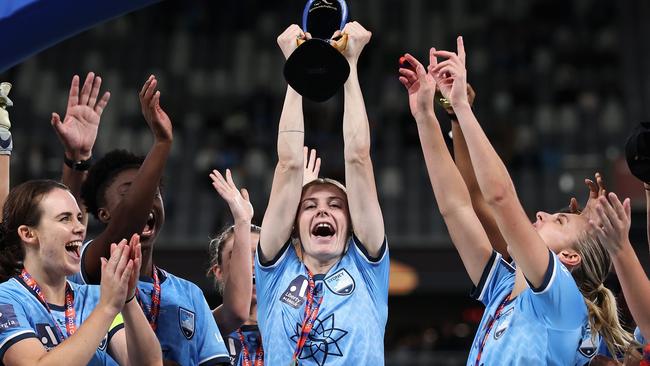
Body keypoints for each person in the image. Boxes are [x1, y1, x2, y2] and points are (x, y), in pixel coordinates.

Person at [399, 37, 631, 365]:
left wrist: (462, 109)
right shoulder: (502, 288)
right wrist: (424, 115)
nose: (542, 214)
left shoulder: (561, 299)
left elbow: (498, 197)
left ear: (568, 257)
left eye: (560, 220)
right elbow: (456, 208)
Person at [53, 74, 230, 365]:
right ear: (104, 213)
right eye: (131, 192)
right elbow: (120, 225)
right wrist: (161, 142)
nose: (148, 200)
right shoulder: (95, 268)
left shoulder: (190, 294)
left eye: (154, 192)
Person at [256, 22, 388, 365]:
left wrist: (351, 66)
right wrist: (295, 71)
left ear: (352, 222)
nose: (322, 211)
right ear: (294, 226)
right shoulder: (274, 274)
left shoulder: (367, 270)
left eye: (335, 204)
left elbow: (358, 158)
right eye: (309, 205)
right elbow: (288, 165)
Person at [0, 180, 162, 365]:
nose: (80, 227)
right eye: (65, 218)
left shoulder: (95, 297)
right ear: (28, 234)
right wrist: (107, 307)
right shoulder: (6, 299)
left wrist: (128, 298)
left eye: (79, 217)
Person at [208, 148, 320, 365]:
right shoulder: (205, 326)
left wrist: (307, 202)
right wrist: (242, 222)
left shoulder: (302, 329)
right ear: (219, 272)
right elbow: (233, 313)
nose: (252, 263)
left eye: (258, 255)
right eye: (238, 254)